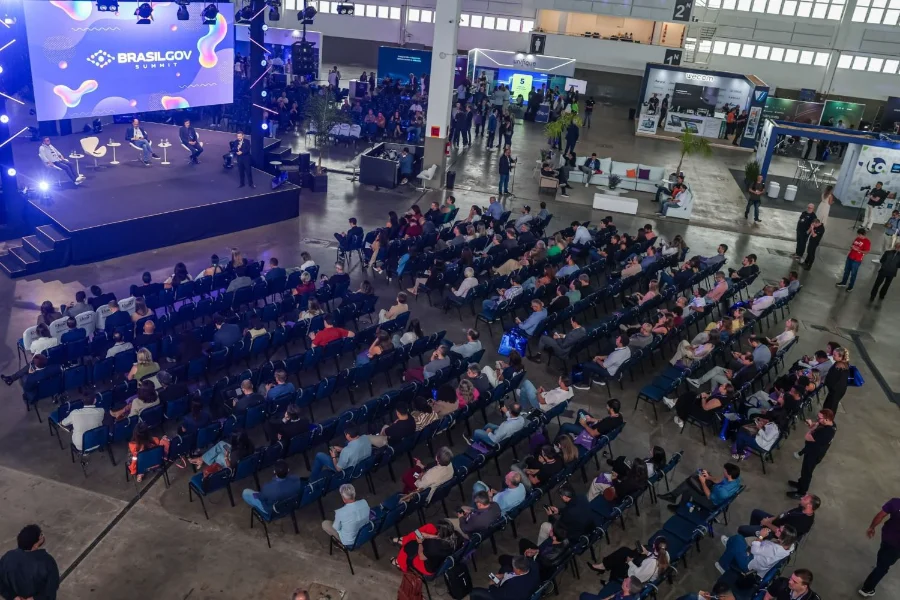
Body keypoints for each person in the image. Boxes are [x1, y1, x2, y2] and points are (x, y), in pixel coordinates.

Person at [0, 524, 59, 600]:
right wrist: (35, 598)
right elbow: (52, 588)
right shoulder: (47, 562)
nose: (42, 536)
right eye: (41, 535)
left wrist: (13, 596)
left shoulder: (7, 557)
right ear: (35, 545)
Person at [787, 409, 835, 498]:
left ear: (827, 419)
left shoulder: (826, 433)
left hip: (814, 455)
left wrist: (812, 428)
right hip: (811, 450)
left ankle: (802, 492)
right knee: (804, 471)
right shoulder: (831, 424)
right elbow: (817, 426)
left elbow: (807, 437)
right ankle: (800, 484)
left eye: (819, 418)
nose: (818, 419)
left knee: (807, 473)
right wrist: (813, 424)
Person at [716, 525, 796, 577]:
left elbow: (754, 550)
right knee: (736, 542)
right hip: (759, 558)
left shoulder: (774, 550)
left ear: (784, 538)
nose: (776, 529)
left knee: (738, 539)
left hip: (748, 563)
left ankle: (723, 566)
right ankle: (730, 544)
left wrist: (761, 536)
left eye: (779, 531)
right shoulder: (788, 545)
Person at [658, 463, 742, 512]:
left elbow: (709, 496)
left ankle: (678, 504)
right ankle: (673, 496)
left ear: (729, 474)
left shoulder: (723, 491)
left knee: (688, 487)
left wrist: (703, 482)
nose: (723, 471)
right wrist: (708, 477)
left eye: (725, 471)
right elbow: (719, 480)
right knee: (697, 475)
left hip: (709, 502)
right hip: (715, 490)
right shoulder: (736, 478)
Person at [859, 497, 900, 597]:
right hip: (897, 547)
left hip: (887, 537)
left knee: (883, 555)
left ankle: (881, 562)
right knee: (882, 567)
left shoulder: (896, 502)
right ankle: (867, 589)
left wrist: (872, 527)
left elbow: (880, 515)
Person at [588, 537, 670, 584]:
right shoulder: (665, 554)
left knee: (619, 564)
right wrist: (647, 552)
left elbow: (638, 575)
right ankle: (603, 566)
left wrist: (629, 562)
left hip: (637, 578)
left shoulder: (651, 564)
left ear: (654, 546)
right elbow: (654, 556)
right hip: (643, 568)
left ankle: (610, 582)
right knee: (625, 550)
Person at [736, 494, 820, 540]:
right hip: (778, 523)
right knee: (756, 513)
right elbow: (785, 514)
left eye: (804, 499)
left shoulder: (801, 522)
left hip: (777, 534)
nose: (801, 498)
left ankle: (746, 542)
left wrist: (767, 524)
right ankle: (755, 535)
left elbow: (782, 533)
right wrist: (770, 519)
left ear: (809, 506)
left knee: (742, 529)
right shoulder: (802, 508)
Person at [391, 521, 461, 575]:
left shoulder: (432, 545)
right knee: (430, 527)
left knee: (407, 548)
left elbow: (419, 544)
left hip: (427, 566)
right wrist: (432, 536)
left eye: (438, 530)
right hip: (437, 559)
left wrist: (427, 537)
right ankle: (403, 540)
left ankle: (399, 562)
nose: (437, 529)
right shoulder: (457, 538)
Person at [469, 555, 541, 599]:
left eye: (514, 567)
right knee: (505, 567)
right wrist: (504, 575)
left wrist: (491, 585)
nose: (512, 567)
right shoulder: (534, 565)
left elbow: (498, 595)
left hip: (507, 596)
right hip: (527, 587)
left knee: (474, 592)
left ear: (519, 570)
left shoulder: (513, 587)